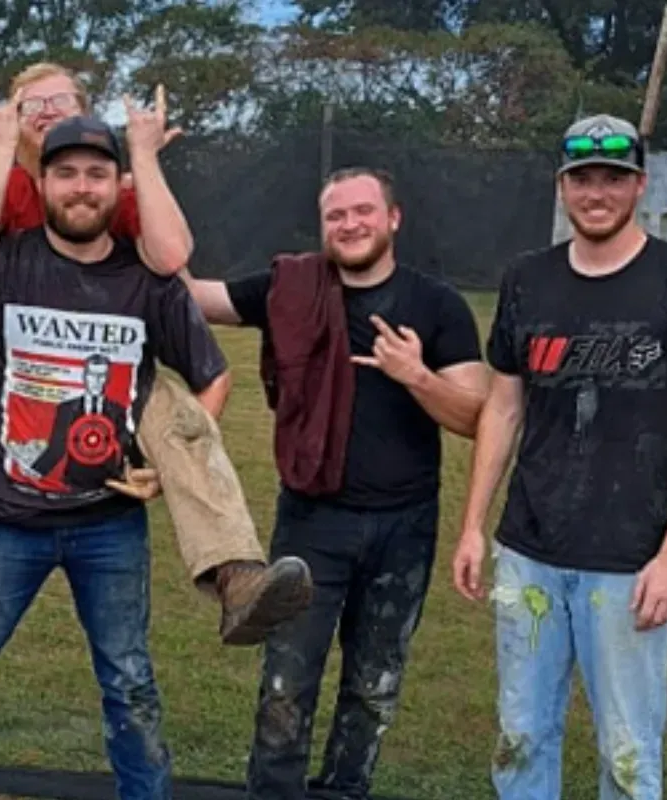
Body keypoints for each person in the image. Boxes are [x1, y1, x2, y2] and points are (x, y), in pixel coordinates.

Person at [0, 68, 314, 647]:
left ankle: (238, 577)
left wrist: (143, 160)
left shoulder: (105, 189)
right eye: (30, 104)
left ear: (88, 114)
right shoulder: (9, 183)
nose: (46, 112)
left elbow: (172, 255)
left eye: (59, 101)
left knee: (181, 421)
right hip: (22, 376)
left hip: (114, 368)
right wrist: (1, 151)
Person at [0, 113, 234, 800]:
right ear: (42, 182)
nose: (82, 188)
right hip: (2, 519)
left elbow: (210, 375)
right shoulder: (0, 263)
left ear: (118, 186)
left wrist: (167, 464)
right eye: (67, 173)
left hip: (108, 525)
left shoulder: (149, 280)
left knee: (131, 685)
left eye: (97, 174)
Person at [451, 114, 667, 800]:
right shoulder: (526, 280)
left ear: (639, 185)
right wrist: (471, 524)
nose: (597, 193)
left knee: (629, 752)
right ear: (562, 187)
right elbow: (503, 407)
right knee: (520, 735)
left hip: (633, 560)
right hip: (530, 552)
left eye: (614, 178)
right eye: (583, 179)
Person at [180, 167, 490, 800]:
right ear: (323, 227)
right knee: (285, 684)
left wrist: (415, 375)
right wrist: (141, 178)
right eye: (336, 216)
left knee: (375, 686)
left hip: (405, 524)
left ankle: (345, 790)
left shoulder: (436, 305)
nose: (350, 224)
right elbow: (188, 296)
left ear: (393, 218)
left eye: (363, 211)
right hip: (312, 521)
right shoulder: (291, 289)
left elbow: (478, 417)